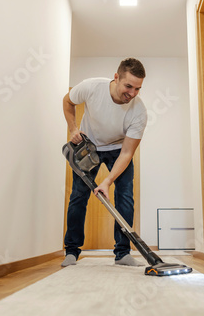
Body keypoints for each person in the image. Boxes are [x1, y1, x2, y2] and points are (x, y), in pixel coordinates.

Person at [61, 58, 148, 267]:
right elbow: (67, 101)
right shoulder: (92, 87)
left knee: (125, 196)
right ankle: (71, 251)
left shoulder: (139, 112)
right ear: (116, 77)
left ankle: (123, 252)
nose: (133, 93)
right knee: (78, 196)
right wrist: (73, 129)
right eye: (128, 86)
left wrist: (107, 181)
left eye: (138, 89)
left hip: (118, 149)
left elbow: (127, 153)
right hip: (88, 146)